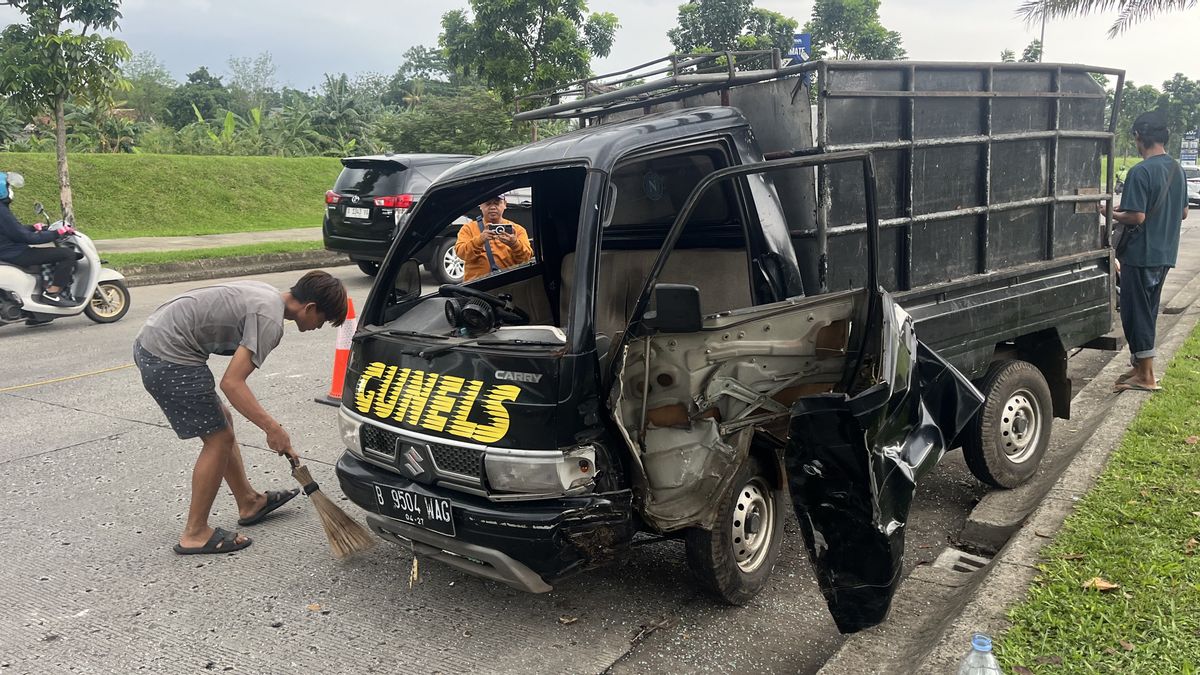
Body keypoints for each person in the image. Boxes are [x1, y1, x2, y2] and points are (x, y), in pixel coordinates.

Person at [133, 271, 348, 554]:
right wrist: (274, 429)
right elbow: (232, 383)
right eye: (322, 320)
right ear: (309, 308)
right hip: (167, 356)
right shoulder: (270, 320)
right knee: (218, 439)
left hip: (157, 344)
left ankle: (249, 502)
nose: (319, 327)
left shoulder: (268, 296)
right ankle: (195, 533)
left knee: (223, 423)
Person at [1105, 110, 1189, 393]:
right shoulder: (1176, 169)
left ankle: (1146, 376)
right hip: (1165, 253)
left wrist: (1109, 212)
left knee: (1134, 312)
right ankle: (1140, 367)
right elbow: (1184, 212)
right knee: (1148, 310)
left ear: (1139, 137)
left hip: (1140, 255)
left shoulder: (1140, 171)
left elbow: (1136, 216)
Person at [0, 171, 78, 306]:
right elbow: (26, 238)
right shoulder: (2, 211)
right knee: (68, 254)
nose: (11, 190)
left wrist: (32, 227)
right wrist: (57, 233)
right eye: (9, 187)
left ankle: (38, 315)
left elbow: (11, 231)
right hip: (15, 253)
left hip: (7, 251)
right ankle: (52, 293)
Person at [454, 193, 533, 282]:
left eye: (497, 203)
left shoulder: (517, 230)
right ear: (480, 205)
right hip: (477, 286)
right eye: (488, 203)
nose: (492, 207)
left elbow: (526, 258)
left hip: (509, 283)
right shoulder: (468, 229)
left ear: (505, 205)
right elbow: (461, 254)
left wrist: (514, 244)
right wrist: (480, 240)